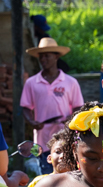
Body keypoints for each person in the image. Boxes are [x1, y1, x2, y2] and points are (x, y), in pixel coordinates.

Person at [21, 38, 84, 169]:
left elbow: (79, 106)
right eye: (41, 56)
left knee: (68, 172)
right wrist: (31, 122)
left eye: (47, 56)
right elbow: (26, 107)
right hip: (41, 139)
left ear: (56, 56)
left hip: (66, 137)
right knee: (45, 172)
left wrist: (71, 119)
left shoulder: (70, 82)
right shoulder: (31, 83)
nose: (43, 59)